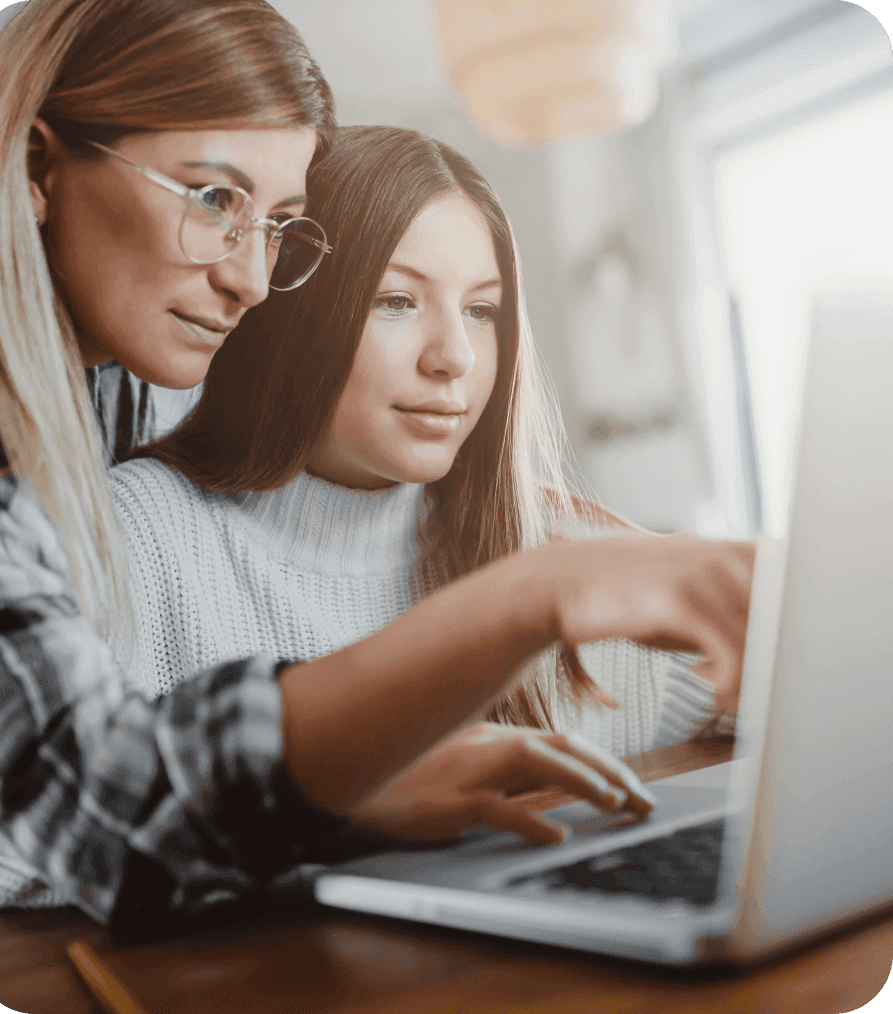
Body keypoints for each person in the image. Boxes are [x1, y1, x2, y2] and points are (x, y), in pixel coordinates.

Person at [0, 0, 752, 935]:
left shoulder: (120, 371)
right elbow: (80, 814)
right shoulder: (95, 487)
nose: (251, 283)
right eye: (214, 198)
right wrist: (534, 591)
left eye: (277, 226)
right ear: (34, 168)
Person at [113, 125, 733, 777]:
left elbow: (810, 683)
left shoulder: (556, 548)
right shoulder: (143, 536)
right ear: (290, 315)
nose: (455, 358)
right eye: (397, 301)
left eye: (481, 310)